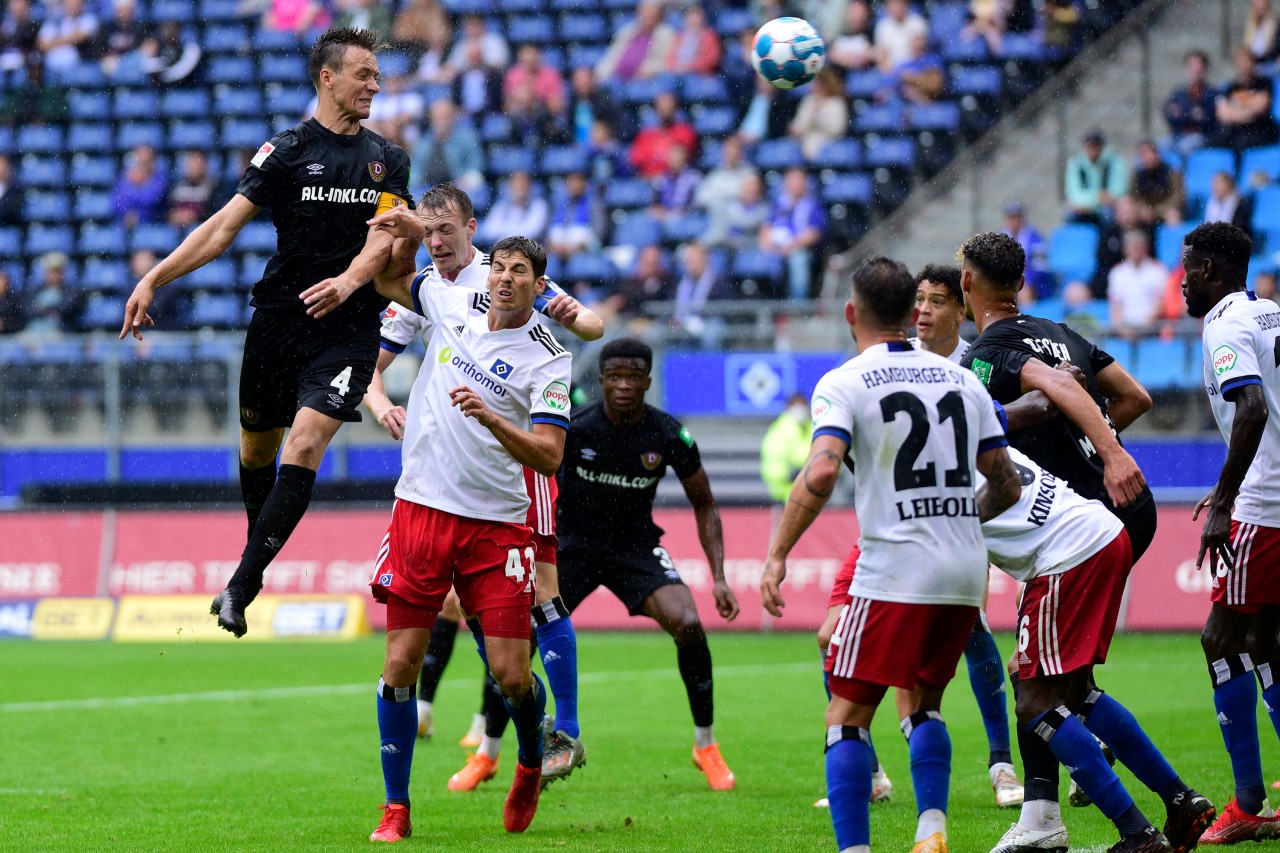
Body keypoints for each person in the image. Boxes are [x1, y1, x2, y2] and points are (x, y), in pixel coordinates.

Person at [119, 28, 414, 638]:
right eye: (363, 73)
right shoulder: (284, 151)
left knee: (304, 444)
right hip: (279, 322)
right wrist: (155, 277)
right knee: (257, 448)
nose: (375, 85)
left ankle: (241, 585)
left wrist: (349, 281)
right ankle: (259, 550)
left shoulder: (390, 158)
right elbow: (223, 228)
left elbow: (385, 237)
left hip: (348, 328)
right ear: (326, 77)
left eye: (378, 75)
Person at [760, 256, 1022, 853]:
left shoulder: (845, 380)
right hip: (961, 572)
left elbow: (823, 468)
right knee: (923, 706)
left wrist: (776, 555)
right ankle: (931, 831)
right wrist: (954, 521)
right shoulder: (963, 380)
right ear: (911, 314)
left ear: (851, 313)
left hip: (895, 568)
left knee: (845, 717)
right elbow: (1005, 481)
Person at [364, 184, 603, 792]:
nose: (438, 242)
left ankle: (561, 731)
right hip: (432, 491)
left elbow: (594, 327)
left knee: (542, 597)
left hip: (514, 479)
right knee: (449, 622)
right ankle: (480, 740)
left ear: (471, 230)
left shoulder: (521, 294)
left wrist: (569, 310)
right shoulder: (435, 290)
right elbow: (381, 326)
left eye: (446, 232)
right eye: (430, 232)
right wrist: (376, 400)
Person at [958, 231, 1159, 850]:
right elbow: (1135, 396)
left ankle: (1061, 816)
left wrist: (1102, 453)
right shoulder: (1061, 330)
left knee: (1038, 687)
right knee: (1061, 682)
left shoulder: (990, 348)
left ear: (968, 283)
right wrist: (1092, 446)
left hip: (1082, 520)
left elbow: (1066, 391)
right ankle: (1052, 809)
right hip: (1126, 511)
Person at [976, 442, 1215, 853]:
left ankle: (1136, 833)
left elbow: (1002, 495)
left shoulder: (932, 473)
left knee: (1034, 701)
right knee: (1075, 692)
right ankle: (1181, 800)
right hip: (1102, 532)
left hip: (1068, 556)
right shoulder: (974, 424)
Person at [555, 337, 742, 791]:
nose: (623, 385)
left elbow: (706, 505)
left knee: (689, 623)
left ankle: (706, 745)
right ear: (600, 382)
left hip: (634, 548)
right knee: (517, 635)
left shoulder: (667, 433)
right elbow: (534, 484)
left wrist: (718, 576)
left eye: (633, 376)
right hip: (572, 546)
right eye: (614, 376)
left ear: (647, 381)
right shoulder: (575, 427)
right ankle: (490, 750)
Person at [910, 264, 1024, 809]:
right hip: (910, 517)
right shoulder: (896, 364)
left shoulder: (979, 365)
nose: (925, 311)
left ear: (962, 310)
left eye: (937, 301)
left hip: (981, 508)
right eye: (919, 301)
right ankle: (868, 763)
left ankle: (1007, 761)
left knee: (974, 628)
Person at [1181, 221, 1280, 844]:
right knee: (1268, 644)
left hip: (1263, 506)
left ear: (1211, 271)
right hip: (1274, 494)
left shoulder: (1224, 325)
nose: (1182, 280)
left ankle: (1246, 802)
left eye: (1188, 267)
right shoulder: (1269, 311)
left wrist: (1225, 502)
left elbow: (1253, 407)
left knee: (1222, 642)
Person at [759, 168, 825, 300]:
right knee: (759, 260)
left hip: (799, 249)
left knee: (798, 260)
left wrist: (791, 246)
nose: (795, 184)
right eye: (792, 180)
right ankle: (768, 305)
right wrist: (766, 244)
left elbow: (814, 233)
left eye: (799, 180)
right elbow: (766, 226)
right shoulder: (778, 204)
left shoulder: (813, 205)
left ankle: (796, 310)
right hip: (776, 248)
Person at [411, 99, 485, 193]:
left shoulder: (467, 137)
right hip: (428, 187)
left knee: (475, 181)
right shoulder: (424, 142)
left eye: (445, 117)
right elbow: (416, 168)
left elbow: (476, 162)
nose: (441, 121)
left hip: (459, 184)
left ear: (453, 118)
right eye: (437, 117)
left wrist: (463, 180)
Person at [1107, 230, 1168, 340]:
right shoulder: (1117, 273)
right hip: (1124, 331)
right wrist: (1123, 330)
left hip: (1151, 330)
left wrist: (1143, 329)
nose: (1136, 250)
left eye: (1138, 246)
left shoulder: (1158, 270)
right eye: (1132, 246)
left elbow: (1160, 305)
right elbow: (1115, 308)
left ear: (1146, 248)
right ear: (1126, 249)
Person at [1216, 47, 1280, 153]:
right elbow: (1223, 114)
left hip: (1260, 130)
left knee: (1241, 144)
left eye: (1246, 61)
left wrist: (1236, 107)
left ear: (1253, 63)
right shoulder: (1231, 87)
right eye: (1240, 62)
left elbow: (1261, 106)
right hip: (1237, 132)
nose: (1243, 66)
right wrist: (1248, 109)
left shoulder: (1264, 83)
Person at [594, 0, 675, 83]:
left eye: (651, 13)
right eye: (644, 12)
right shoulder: (628, 30)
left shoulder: (666, 34)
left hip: (646, 80)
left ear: (659, 15)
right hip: (617, 79)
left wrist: (648, 70)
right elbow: (612, 55)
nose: (646, 16)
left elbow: (665, 62)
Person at [628, 91, 698, 179]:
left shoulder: (685, 132)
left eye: (669, 105)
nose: (665, 109)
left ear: (675, 107)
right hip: (649, 182)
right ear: (655, 108)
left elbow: (688, 161)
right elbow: (636, 163)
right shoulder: (645, 135)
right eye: (661, 105)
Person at [1065, 130, 1129, 224]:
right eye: (1089, 144)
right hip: (1084, 207)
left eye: (1095, 145)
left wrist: (1087, 202)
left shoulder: (1115, 161)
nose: (1092, 148)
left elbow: (1118, 191)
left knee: (1109, 214)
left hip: (1105, 208)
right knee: (1068, 214)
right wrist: (1098, 198)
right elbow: (1073, 195)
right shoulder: (1075, 163)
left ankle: (1107, 238)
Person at [1164, 50, 1218, 157]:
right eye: (1191, 65)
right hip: (1178, 135)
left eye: (1198, 65)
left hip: (1202, 136)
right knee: (1156, 147)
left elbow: (1208, 119)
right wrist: (1191, 114)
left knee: (1185, 147)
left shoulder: (1212, 93)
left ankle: (1182, 174)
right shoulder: (1178, 93)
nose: (1195, 69)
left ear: (1205, 68)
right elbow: (1169, 115)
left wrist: (1183, 113)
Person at [760, 392, 811, 506]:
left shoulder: (813, 427)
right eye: (796, 405)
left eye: (802, 405)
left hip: (815, 486)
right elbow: (773, 463)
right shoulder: (779, 430)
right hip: (787, 490)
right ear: (788, 408)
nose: (800, 410)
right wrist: (792, 474)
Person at [789, 68, 849, 160]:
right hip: (804, 140)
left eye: (816, 83)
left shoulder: (836, 103)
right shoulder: (808, 101)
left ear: (824, 84)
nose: (813, 86)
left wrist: (817, 120)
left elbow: (837, 129)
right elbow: (799, 124)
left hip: (828, 142)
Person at [477, 171, 548, 245]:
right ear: (509, 187)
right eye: (516, 185)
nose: (519, 188)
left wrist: (502, 231)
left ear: (530, 187)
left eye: (523, 185)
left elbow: (531, 232)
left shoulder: (539, 206)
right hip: (501, 251)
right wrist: (516, 231)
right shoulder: (501, 206)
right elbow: (488, 231)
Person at [1000, 201, 1052, 299]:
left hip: (1031, 284)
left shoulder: (1036, 239)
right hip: (1008, 282)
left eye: (1017, 217)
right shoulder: (999, 239)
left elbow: (1041, 268)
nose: (1014, 221)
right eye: (1011, 217)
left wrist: (1024, 279)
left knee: (1024, 292)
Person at [114, 144, 168, 230]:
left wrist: (137, 215)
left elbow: (150, 200)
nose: (144, 162)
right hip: (124, 222)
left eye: (147, 160)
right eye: (141, 160)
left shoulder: (160, 179)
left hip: (152, 224)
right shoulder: (125, 177)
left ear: (153, 160)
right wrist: (128, 213)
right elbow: (118, 201)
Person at [1131, 141, 1184, 226]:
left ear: (1157, 154)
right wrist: (1143, 208)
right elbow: (1135, 197)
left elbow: (1178, 197)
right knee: (1127, 213)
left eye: (1149, 153)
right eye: (1143, 154)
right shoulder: (1138, 176)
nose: (1147, 157)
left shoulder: (1173, 174)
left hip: (1166, 210)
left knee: (1172, 215)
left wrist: (1157, 211)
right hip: (1146, 212)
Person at [875, 0, 929, 71]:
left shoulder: (917, 21)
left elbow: (919, 52)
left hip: (914, 65)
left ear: (905, 4)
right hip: (892, 69)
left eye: (899, 4)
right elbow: (881, 55)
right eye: (893, 4)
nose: (896, 7)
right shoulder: (882, 26)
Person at [666, 5, 721, 75]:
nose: (694, 21)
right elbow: (670, 57)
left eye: (697, 17)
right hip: (677, 72)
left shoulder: (709, 36)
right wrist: (676, 67)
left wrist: (690, 66)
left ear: (702, 19)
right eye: (691, 17)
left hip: (698, 74)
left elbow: (711, 59)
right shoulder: (680, 36)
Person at [167, 150, 215, 228]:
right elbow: (168, 209)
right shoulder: (177, 186)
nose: (193, 167)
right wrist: (174, 215)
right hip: (177, 228)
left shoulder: (212, 187)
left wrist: (195, 216)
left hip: (202, 228)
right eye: (191, 164)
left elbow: (213, 212)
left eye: (197, 164)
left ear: (204, 165)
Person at [1205, 171, 1254, 240]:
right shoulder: (1212, 203)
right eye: (1215, 182)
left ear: (1229, 184)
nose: (1217, 186)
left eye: (1220, 183)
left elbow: (1239, 229)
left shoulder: (1239, 203)